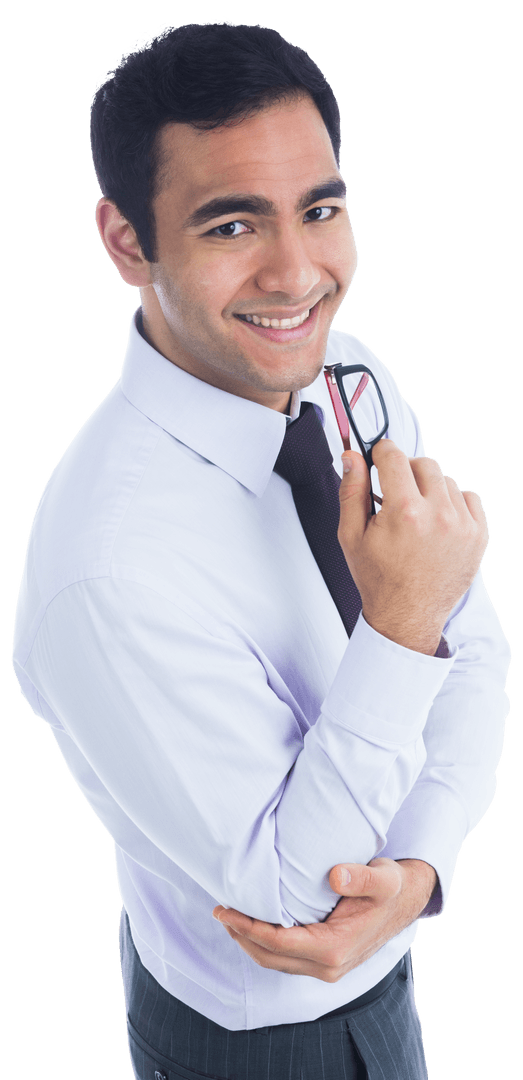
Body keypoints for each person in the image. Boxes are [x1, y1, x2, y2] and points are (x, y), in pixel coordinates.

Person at [12, 20, 510, 1080]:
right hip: (257, 1041)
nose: (299, 274)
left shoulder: (347, 377)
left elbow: (479, 664)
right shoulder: (110, 568)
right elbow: (299, 896)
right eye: (232, 225)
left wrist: (418, 875)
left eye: (320, 210)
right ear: (126, 242)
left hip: (384, 971)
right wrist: (401, 622)